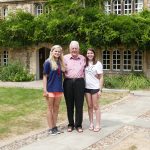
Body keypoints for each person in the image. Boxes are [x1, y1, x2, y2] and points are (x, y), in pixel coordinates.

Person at [43, 45, 65, 135]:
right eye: (55, 51)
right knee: (50, 108)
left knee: (56, 109)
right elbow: (44, 77)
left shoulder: (60, 62)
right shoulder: (47, 62)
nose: (57, 53)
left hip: (59, 89)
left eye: (59, 52)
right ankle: (50, 128)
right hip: (50, 89)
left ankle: (55, 127)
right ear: (52, 52)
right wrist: (45, 90)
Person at [63, 41, 85, 133]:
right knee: (69, 104)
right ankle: (71, 124)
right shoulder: (64, 58)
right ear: (70, 49)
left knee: (79, 105)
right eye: (73, 48)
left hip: (79, 82)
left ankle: (78, 125)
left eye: (76, 48)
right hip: (68, 82)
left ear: (78, 49)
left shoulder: (83, 58)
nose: (74, 50)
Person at [84, 48, 103, 132]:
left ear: (94, 54)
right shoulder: (85, 63)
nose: (90, 54)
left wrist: (100, 89)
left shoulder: (98, 64)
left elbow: (101, 77)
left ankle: (98, 124)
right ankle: (91, 123)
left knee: (95, 106)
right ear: (86, 54)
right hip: (87, 88)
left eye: (91, 53)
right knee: (89, 106)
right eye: (88, 53)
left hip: (95, 88)